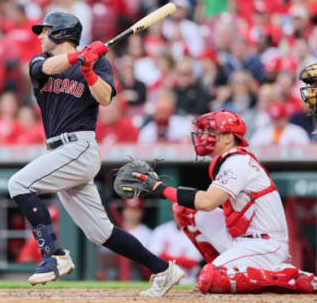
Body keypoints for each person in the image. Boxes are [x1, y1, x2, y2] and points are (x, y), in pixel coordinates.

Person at [7, 11, 184, 297]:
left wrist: (89, 68)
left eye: (45, 30)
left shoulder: (96, 61)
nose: (39, 35)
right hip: (58, 150)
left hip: (80, 147)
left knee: (18, 184)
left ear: (61, 33)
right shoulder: (39, 61)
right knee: (101, 233)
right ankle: (164, 269)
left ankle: (54, 255)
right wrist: (78, 58)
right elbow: (46, 70)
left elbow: (105, 98)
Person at [127, 109, 317, 294]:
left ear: (228, 138)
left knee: (210, 279)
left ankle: (288, 276)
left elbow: (208, 202)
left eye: (211, 132)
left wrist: (160, 189)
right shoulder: (228, 161)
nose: (204, 136)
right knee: (184, 209)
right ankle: (226, 268)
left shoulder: (237, 161)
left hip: (265, 245)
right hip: (242, 240)